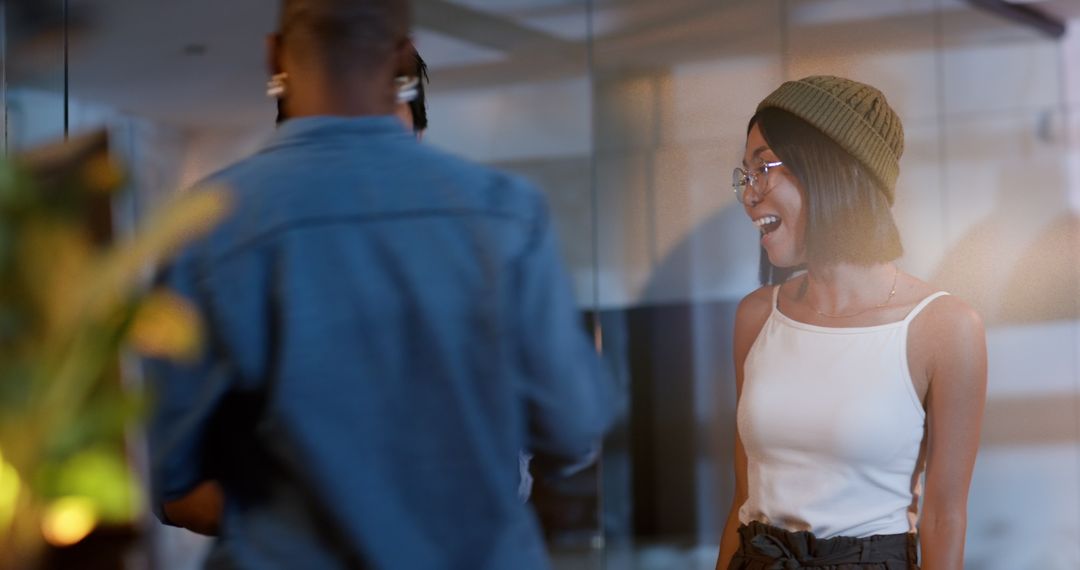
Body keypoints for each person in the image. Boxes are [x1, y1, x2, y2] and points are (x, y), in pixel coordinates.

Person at [144, 0, 615, 568]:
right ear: (397, 60)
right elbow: (574, 433)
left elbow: (167, 470)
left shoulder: (207, 225)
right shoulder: (507, 214)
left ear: (276, 58)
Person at [716, 76, 987, 569]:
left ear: (830, 168)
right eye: (745, 175)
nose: (749, 195)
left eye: (763, 168)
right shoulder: (756, 317)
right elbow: (742, 498)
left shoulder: (944, 327)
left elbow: (945, 517)